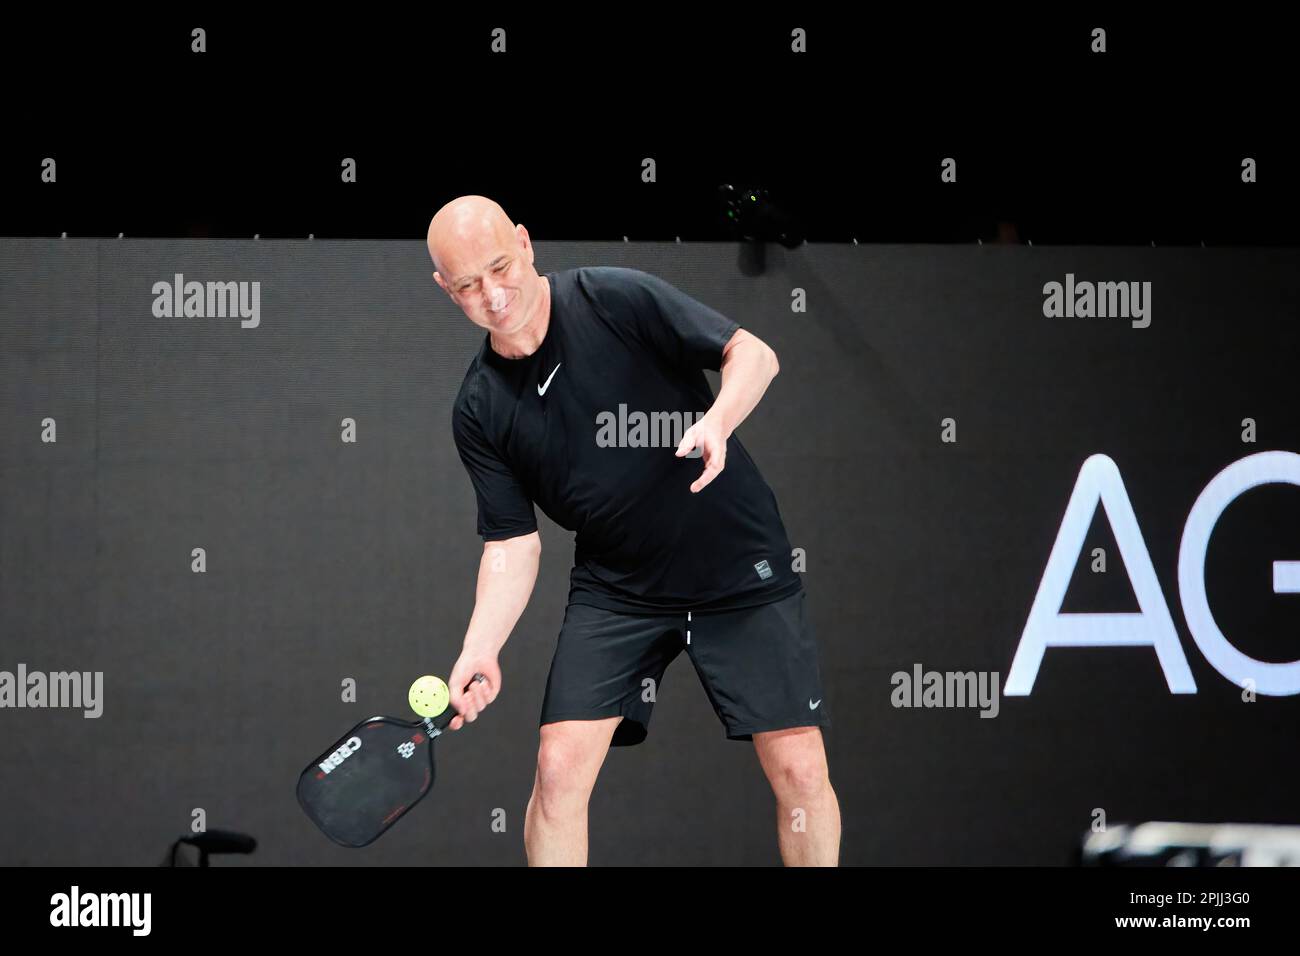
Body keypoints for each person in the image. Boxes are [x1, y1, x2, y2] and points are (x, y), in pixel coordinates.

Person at [427, 195, 839, 865]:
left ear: (526, 244)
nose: (493, 295)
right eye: (469, 284)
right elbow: (511, 542)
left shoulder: (612, 298)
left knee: (799, 769)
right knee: (558, 767)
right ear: (446, 289)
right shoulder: (479, 407)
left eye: (499, 267)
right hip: (619, 587)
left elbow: (754, 354)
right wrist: (481, 646)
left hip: (737, 566)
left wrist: (718, 420)